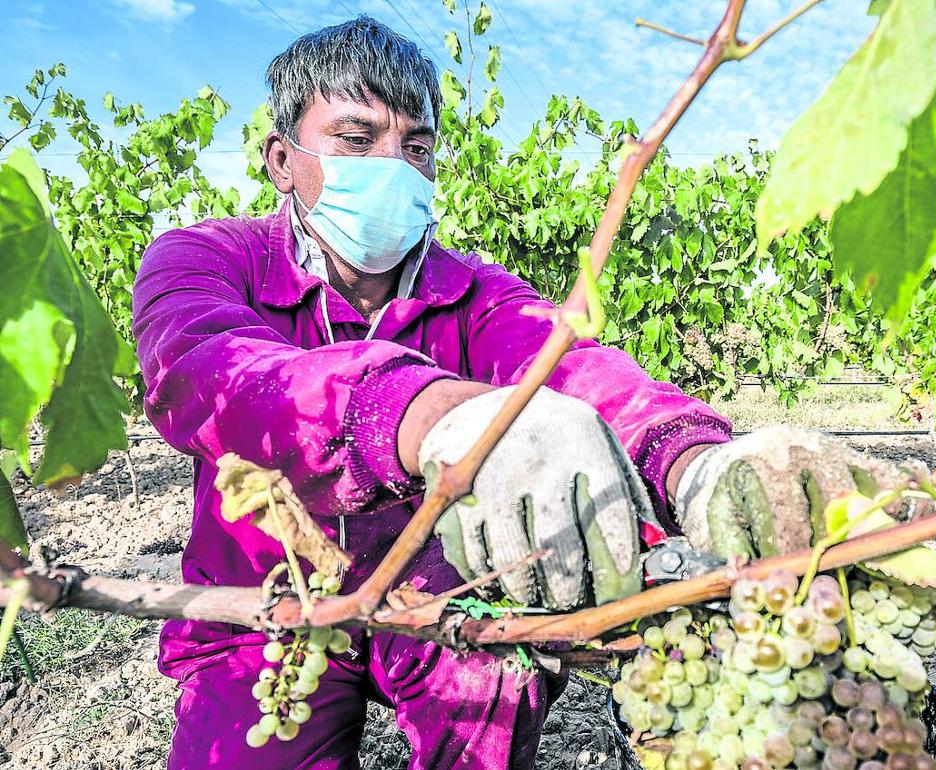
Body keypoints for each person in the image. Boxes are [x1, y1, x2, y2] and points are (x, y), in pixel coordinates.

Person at [133, 17, 892, 770]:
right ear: (281, 159)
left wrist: (693, 459)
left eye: (417, 147)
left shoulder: (474, 291)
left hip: (450, 595)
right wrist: (432, 415)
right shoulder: (205, 258)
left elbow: (578, 369)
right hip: (263, 603)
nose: (393, 165)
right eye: (358, 140)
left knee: (496, 679)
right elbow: (204, 373)